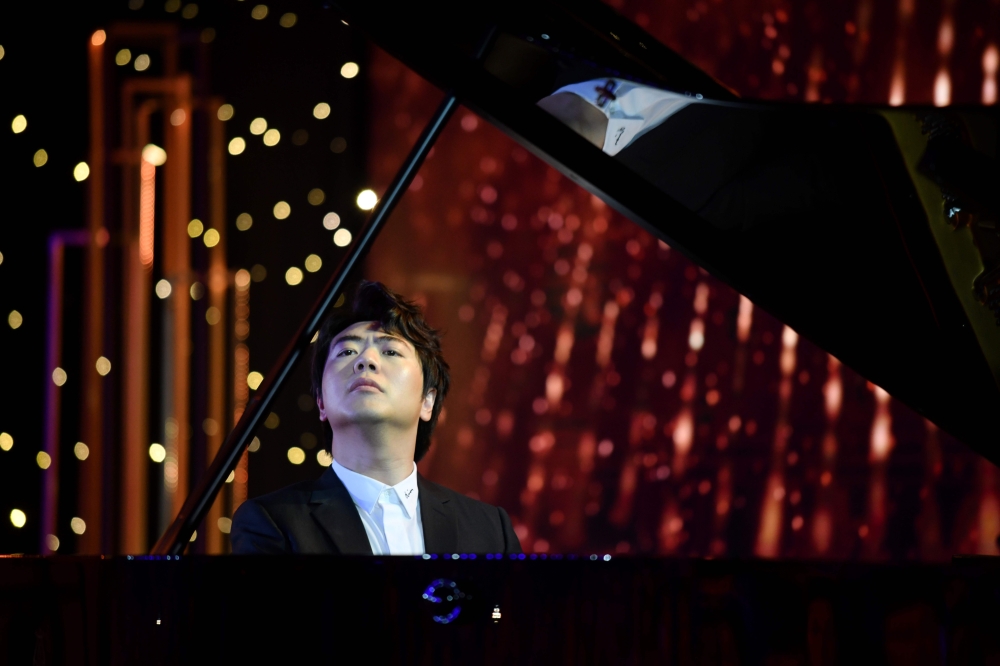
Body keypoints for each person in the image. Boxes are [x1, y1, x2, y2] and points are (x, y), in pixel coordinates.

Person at [231, 281, 523, 555]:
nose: (366, 360)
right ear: (321, 402)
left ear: (428, 401)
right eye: (347, 350)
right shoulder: (273, 522)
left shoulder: (489, 529)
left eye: (391, 351)